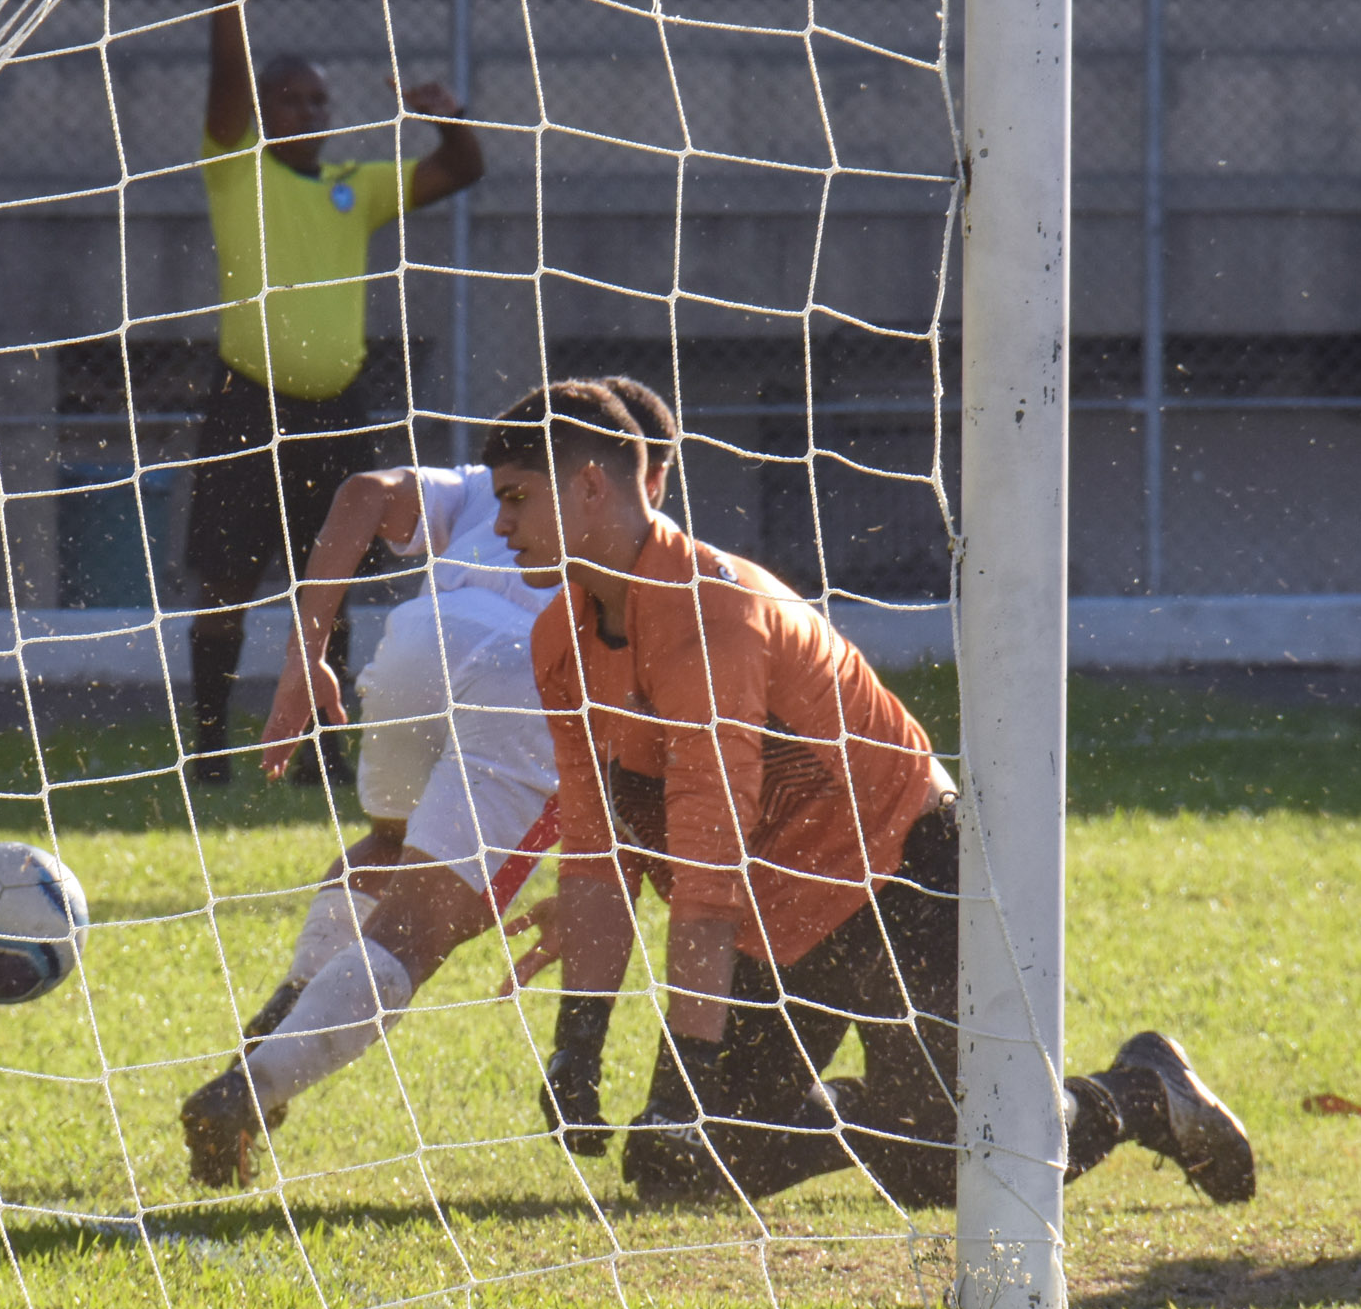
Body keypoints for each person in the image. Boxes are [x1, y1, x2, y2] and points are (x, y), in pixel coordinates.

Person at [484, 381, 1256, 1208]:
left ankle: (1137, 1093)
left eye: (517, 500)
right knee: (683, 1170)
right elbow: (600, 852)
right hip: (778, 924)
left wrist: (686, 1082)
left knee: (969, 1167)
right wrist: (578, 1046)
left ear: (592, 487)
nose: (500, 527)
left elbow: (707, 878)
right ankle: (889, 1118)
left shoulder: (715, 617)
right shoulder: (557, 641)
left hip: (904, 877)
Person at [179, 381, 677, 1187]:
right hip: (526, 676)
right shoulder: (648, 539)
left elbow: (363, 494)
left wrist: (307, 651)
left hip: (417, 641)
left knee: (388, 846)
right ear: (643, 474)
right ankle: (251, 1089)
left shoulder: (498, 483)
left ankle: (269, 1035)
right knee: (425, 925)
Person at [187, 0, 485, 785]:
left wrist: (448, 114)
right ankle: (209, 750)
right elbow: (226, 49)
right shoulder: (235, 167)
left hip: (339, 406)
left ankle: (320, 749)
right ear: (266, 109)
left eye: (322, 99)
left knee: (334, 579)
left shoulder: (355, 183)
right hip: (248, 400)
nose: (314, 112)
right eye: (295, 98)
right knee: (223, 585)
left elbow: (463, 167)